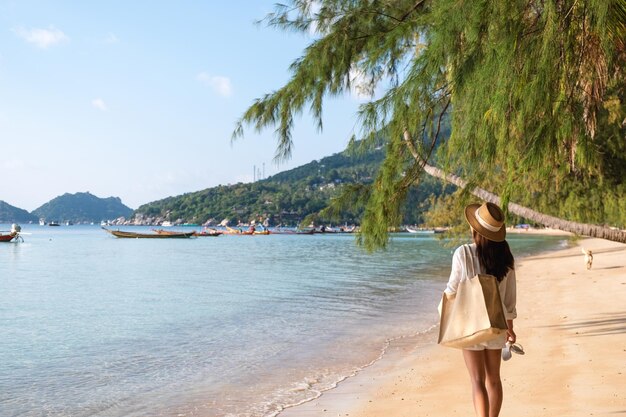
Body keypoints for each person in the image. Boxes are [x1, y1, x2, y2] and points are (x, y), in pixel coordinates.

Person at [444, 202, 517, 417]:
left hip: (470, 325)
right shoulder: (506, 257)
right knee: (493, 379)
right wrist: (510, 327)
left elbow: (452, 289)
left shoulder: (463, 253)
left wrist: (445, 313)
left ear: (475, 229)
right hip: (496, 324)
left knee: (477, 380)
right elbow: (509, 298)